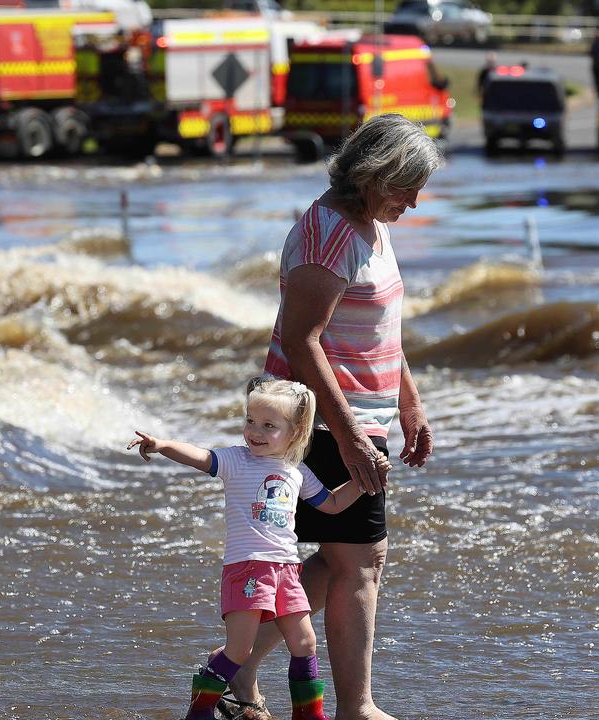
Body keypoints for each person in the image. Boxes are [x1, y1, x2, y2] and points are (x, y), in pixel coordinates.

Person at [212, 113, 442, 720]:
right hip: (319, 418)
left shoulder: (369, 222)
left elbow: (378, 327)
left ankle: (237, 664)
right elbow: (302, 339)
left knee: (343, 559)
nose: (415, 202)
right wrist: (349, 437)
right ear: (375, 175)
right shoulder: (327, 236)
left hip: (362, 415)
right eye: (407, 187)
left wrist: (407, 403)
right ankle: (355, 707)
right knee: (359, 560)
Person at [128, 377, 379, 720]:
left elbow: (332, 504)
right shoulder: (236, 460)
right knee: (239, 650)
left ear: (294, 432)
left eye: (268, 426)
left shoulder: (296, 470)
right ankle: (200, 709)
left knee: (305, 643)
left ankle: (308, 713)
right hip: (247, 569)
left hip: (287, 571)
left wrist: (365, 480)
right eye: (250, 421)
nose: (255, 432)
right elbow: (201, 456)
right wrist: (162, 444)